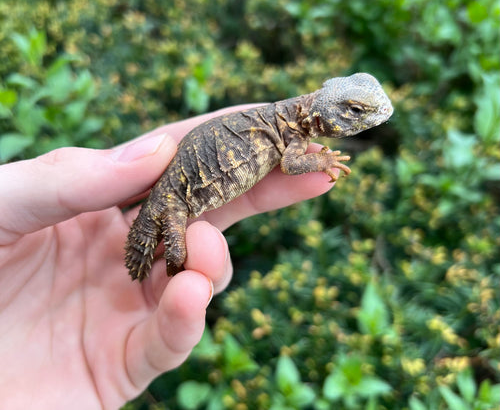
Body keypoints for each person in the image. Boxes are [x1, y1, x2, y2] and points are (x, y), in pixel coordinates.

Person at [0, 107, 336, 409]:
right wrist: (322, 161)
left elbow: (290, 159)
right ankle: (170, 278)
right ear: (320, 112)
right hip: (174, 199)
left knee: (188, 259)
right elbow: (292, 163)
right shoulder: (287, 127)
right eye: (353, 112)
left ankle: (169, 281)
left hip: (182, 188)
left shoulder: (289, 126)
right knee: (177, 252)